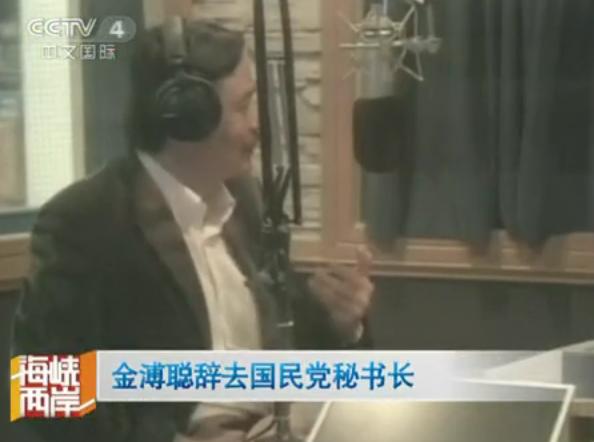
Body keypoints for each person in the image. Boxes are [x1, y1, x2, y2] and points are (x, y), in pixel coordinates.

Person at [12, 19, 374, 442]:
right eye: (242, 107)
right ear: (188, 117)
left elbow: (282, 351)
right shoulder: (85, 221)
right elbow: (44, 394)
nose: (256, 126)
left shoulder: (247, 203)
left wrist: (340, 324)